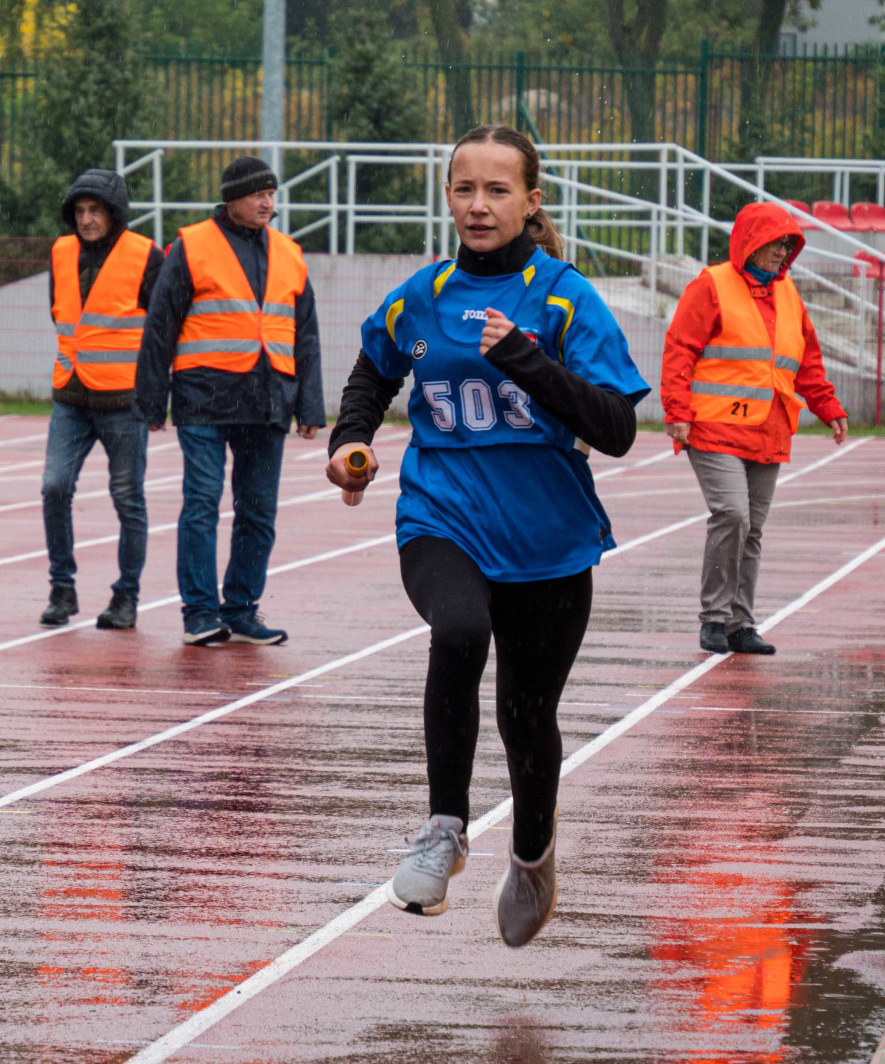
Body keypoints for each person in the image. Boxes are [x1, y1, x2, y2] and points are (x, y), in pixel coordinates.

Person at [327, 125, 649, 948]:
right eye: (464, 189)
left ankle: (534, 854)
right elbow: (373, 369)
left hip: (548, 542)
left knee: (525, 715)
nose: (478, 205)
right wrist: (350, 443)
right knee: (459, 630)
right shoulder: (420, 295)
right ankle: (443, 828)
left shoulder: (565, 298)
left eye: (497, 190)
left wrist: (532, 365)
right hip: (441, 515)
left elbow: (616, 429)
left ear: (531, 202)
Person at [134, 155, 325, 647]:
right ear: (232, 199)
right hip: (204, 399)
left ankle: (241, 609)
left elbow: (305, 335)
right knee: (201, 503)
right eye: (258, 194)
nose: (267, 202)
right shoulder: (192, 246)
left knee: (258, 510)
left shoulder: (290, 251)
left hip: (269, 400)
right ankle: (200, 612)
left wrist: (311, 405)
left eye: (271, 193)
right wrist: (152, 401)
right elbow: (160, 325)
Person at [660, 202, 849, 657]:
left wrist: (828, 406)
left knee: (753, 529)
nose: (783, 253)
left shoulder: (790, 296)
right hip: (713, 428)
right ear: (751, 244)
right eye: (776, 244)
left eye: (789, 245)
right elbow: (680, 349)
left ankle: (740, 624)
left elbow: (807, 362)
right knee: (733, 516)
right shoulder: (713, 285)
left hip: (768, 429)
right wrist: (677, 411)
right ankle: (714, 618)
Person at [39, 169, 164, 630]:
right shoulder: (60, 251)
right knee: (54, 486)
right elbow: (61, 312)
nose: (86, 219)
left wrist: (155, 395)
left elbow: (162, 330)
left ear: (114, 213)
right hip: (70, 396)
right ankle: (62, 588)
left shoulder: (145, 255)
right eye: (80, 211)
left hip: (124, 401)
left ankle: (125, 596)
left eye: (95, 210)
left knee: (128, 499)